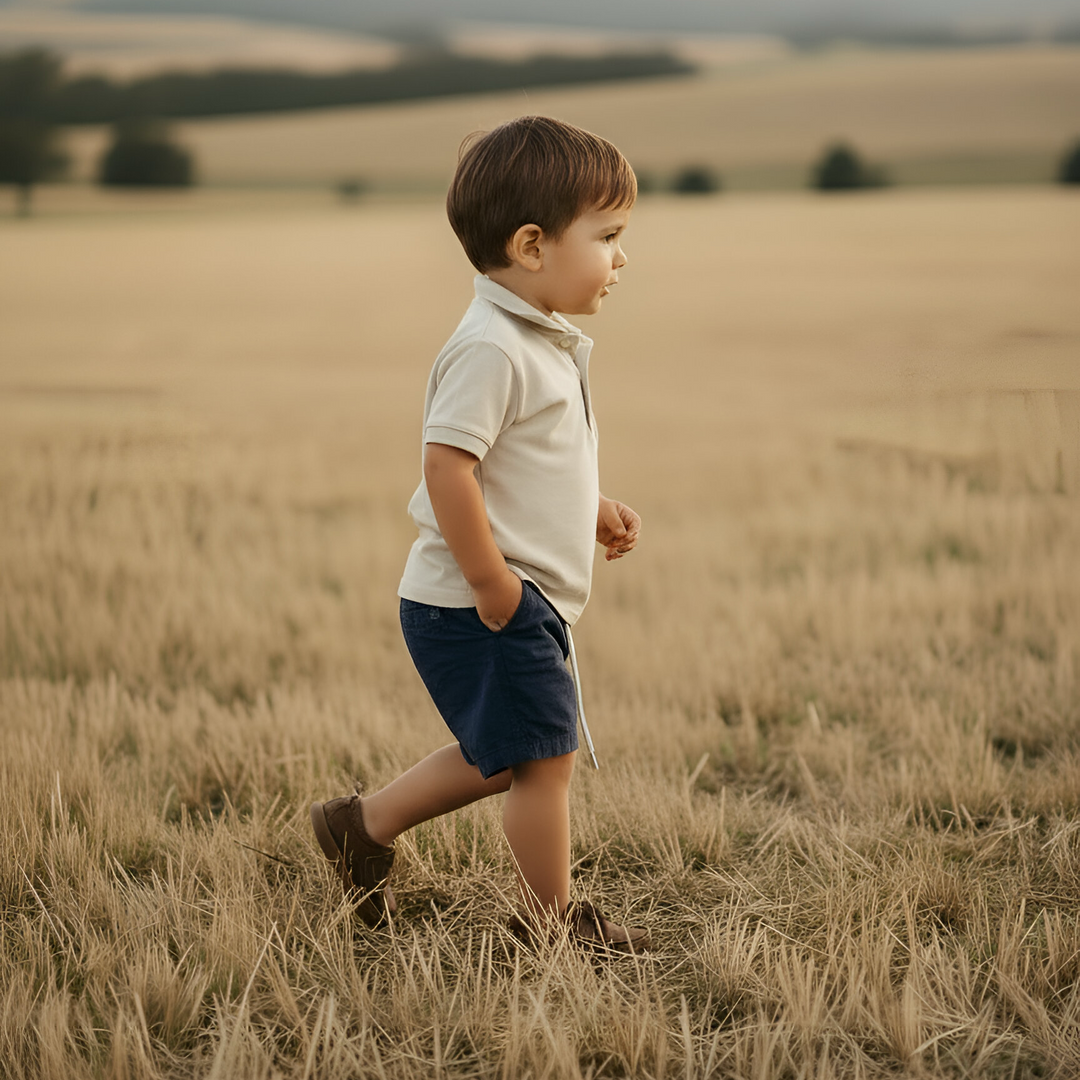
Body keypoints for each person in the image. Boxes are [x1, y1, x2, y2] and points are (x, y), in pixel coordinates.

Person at [311, 115, 648, 953]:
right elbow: (447, 471)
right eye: (607, 236)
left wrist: (591, 506)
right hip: (482, 597)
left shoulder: (535, 341)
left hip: (496, 593)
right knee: (544, 761)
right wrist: (495, 583)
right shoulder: (493, 348)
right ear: (532, 245)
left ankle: (362, 826)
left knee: (506, 752)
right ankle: (550, 928)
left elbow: (521, 465)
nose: (621, 257)